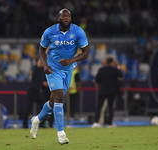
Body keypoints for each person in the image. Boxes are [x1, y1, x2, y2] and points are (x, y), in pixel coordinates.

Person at [30, 8, 89, 145]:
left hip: (68, 69)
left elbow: (86, 52)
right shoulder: (50, 31)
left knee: (52, 102)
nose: (66, 17)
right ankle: (61, 134)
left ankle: (36, 120)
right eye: (63, 16)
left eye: (68, 15)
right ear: (59, 18)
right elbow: (42, 49)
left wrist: (70, 61)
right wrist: (45, 65)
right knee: (59, 97)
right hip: (53, 69)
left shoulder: (78, 31)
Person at [92, 57, 123, 128]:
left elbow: (97, 80)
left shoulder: (101, 70)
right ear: (112, 62)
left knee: (99, 107)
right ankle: (110, 123)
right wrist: (117, 65)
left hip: (102, 91)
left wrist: (99, 89)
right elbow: (121, 75)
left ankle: (96, 122)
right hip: (111, 92)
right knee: (110, 108)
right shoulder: (114, 70)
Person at [22, 57, 46, 128]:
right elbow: (41, 59)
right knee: (28, 108)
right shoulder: (37, 68)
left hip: (38, 92)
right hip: (32, 91)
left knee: (45, 106)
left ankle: (42, 123)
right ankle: (25, 125)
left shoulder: (42, 70)